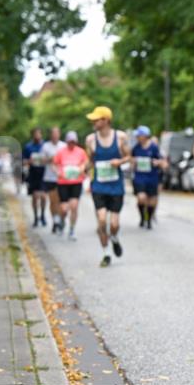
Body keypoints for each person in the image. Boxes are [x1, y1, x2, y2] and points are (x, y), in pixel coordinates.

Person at [85, 106, 129, 267]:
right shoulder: (90, 139)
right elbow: (90, 159)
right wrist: (85, 167)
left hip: (116, 186)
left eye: (96, 119)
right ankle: (106, 254)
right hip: (99, 186)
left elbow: (128, 156)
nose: (93, 122)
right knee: (102, 221)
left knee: (114, 224)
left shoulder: (120, 137)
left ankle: (115, 238)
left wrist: (119, 161)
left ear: (106, 120)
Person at [53, 131, 87, 240]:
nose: (71, 144)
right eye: (70, 142)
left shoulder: (81, 152)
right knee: (64, 209)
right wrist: (57, 172)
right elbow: (54, 164)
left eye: (73, 142)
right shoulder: (61, 152)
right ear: (67, 141)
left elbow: (85, 162)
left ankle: (72, 230)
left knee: (74, 206)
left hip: (76, 182)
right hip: (63, 183)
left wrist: (82, 168)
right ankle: (62, 221)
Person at [131, 126, 165, 229]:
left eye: (139, 135)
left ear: (145, 136)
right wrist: (134, 162)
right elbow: (131, 160)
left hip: (152, 177)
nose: (137, 137)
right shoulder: (135, 148)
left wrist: (156, 162)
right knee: (141, 198)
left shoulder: (154, 147)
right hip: (139, 177)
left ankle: (149, 220)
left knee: (152, 201)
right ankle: (142, 217)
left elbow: (162, 161)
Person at [40, 127, 67, 234]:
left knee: (62, 201)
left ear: (59, 134)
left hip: (62, 177)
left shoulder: (63, 146)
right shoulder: (46, 146)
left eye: (57, 133)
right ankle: (55, 220)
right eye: (53, 133)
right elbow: (41, 160)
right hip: (50, 177)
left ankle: (61, 219)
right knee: (53, 201)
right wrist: (51, 159)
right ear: (50, 135)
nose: (55, 135)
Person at [23, 128, 47, 227]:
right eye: (35, 134)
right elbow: (23, 161)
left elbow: (51, 158)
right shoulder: (28, 147)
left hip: (44, 174)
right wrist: (29, 161)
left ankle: (42, 215)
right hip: (33, 175)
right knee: (35, 197)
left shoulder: (45, 146)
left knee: (44, 197)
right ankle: (36, 217)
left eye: (39, 133)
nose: (37, 135)